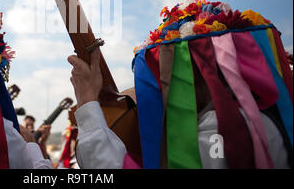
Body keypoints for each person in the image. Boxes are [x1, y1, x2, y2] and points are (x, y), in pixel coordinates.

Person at [67, 47, 291, 169]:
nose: (167, 86)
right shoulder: (260, 116)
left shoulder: (222, 128)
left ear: (202, 75)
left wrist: (87, 100)